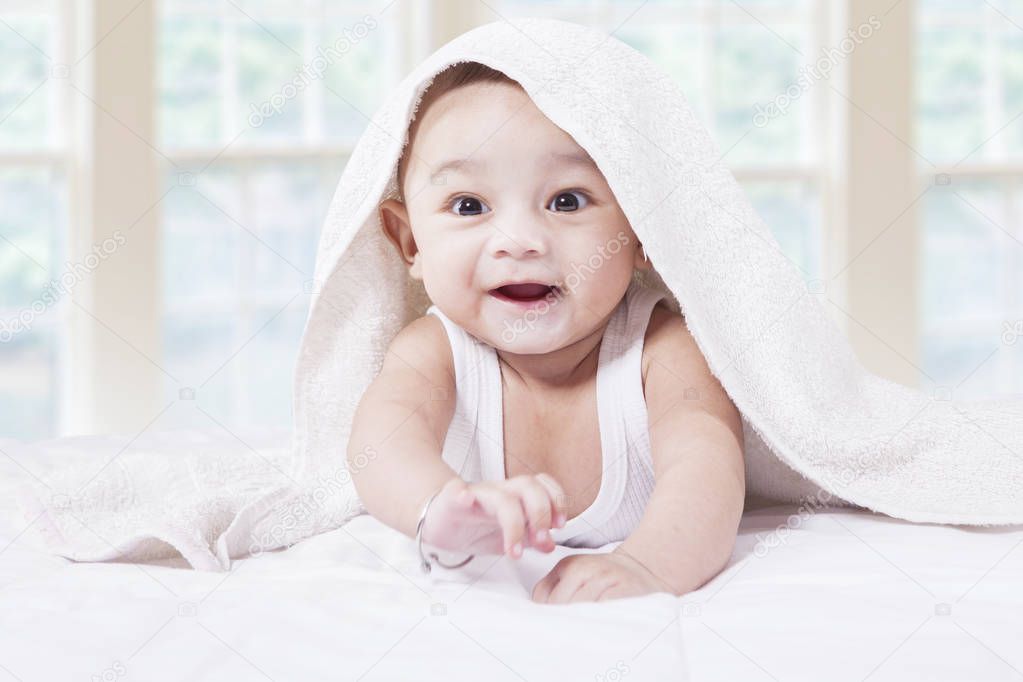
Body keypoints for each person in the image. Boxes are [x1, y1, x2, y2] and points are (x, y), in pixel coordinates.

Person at [347, 60, 745, 604]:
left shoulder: (659, 349)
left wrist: (647, 567)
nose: (520, 240)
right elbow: (381, 443)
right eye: (469, 206)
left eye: (567, 200)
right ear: (411, 242)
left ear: (643, 230)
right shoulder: (434, 353)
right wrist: (434, 507)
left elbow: (708, 468)